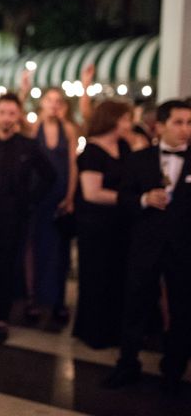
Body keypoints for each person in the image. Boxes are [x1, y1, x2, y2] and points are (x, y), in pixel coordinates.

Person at [104, 100, 191, 393]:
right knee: (135, 306)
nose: (185, 129)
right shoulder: (139, 159)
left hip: (183, 248)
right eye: (179, 122)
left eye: (189, 123)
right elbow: (123, 199)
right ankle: (127, 364)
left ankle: (174, 369)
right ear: (161, 125)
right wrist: (144, 199)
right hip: (145, 245)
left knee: (182, 309)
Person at [0, 93, 55, 340]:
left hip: (13, 220)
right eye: (3, 112)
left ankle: (0, 319)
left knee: (4, 271)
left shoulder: (28, 146)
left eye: (12, 113)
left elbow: (50, 176)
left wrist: (28, 201)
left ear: (18, 116)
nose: (6, 118)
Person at [73, 100, 133, 349]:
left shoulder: (124, 145)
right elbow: (92, 193)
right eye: (127, 118)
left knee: (117, 277)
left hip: (120, 224)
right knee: (97, 277)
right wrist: (133, 199)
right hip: (96, 226)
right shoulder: (93, 152)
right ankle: (95, 332)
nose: (131, 123)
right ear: (114, 120)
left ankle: (115, 329)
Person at [23, 87, 78, 322]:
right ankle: (33, 299)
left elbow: (73, 164)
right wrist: (24, 91)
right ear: (42, 103)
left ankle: (58, 301)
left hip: (60, 196)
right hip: (39, 196)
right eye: (49, 100)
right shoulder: (35, 127)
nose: (54, 105)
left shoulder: (68, 129)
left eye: (58, 101)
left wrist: (70, 196)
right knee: (35, 248)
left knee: (61, 251)